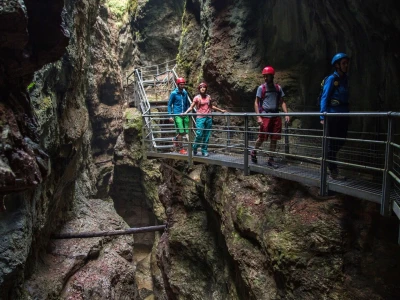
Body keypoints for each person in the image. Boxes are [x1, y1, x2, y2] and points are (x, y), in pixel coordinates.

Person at [250, 66, 290, 168]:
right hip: (265, 116)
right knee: (262, 137)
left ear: (272, 76)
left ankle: (271, 159)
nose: (265, 78)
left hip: (276, 115)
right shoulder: (261, 88)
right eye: (264, 76)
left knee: (274, 138)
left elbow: (282, 101)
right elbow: (256, 102)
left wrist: (286, 114)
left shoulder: (278, 88)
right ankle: (254, 151)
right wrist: (258, 117)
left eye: (267, 76)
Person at [320, 53, 350, 180]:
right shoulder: (332, 79)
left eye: (347, 63)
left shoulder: (345, 79)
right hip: (332, 114)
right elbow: (325, 97)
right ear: (337, 65)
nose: (346, 65)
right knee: (332, 143)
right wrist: (322, 116)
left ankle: (328, 158)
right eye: (344, 63)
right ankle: (333, 171)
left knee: (341, 140)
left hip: (343, 114)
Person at [183, 82, 226, 157]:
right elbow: (191, 107)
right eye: (201, 87)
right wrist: (185, 112)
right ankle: (195, 147)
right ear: (199, 89)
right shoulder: (197, 98)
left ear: (206, 89)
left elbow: (211, 106)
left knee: (207, 135)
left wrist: (221, 110)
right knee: (199, 134)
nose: (203, 88)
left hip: (208, 117)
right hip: (200, 118)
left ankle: (204, 150)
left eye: (204, 87)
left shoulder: (208, 97)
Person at [168, 77, 190, 154]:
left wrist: (187, 112)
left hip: (185, 114)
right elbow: (169, 105)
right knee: (181, 132)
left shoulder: (185, 92)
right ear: (178, 85)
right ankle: (181, 149)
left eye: (183, 84)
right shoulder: (173, 93)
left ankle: (175, 139)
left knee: (185, 131)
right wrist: (170, 115)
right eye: (180, 84)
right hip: (177, 114)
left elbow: (187, 103)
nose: (182, 86)